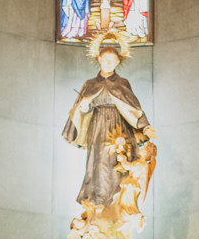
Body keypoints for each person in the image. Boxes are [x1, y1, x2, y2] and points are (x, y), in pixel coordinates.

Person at [62, 37, 156, 209]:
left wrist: (145, 126)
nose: (109, 63)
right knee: (97, 164)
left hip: (119, 129)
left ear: (118, 62)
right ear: (99, 60)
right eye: (106, 59)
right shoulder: (90, 84)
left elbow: (133, 107)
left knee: (117, 165)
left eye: (113, 60)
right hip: (97, 129)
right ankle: (97, 205)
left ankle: (116, 206)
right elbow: (79, 112)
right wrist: (83, 108)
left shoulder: (122, 83)